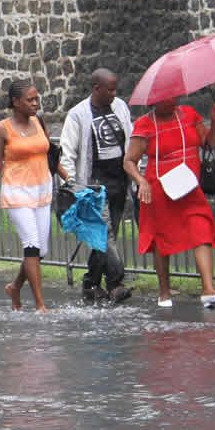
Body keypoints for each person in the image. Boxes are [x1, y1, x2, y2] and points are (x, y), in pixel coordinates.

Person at [0, 81, 68, 313]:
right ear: (15, 102)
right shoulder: (2, 129)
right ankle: (40, 304)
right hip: (17, 192)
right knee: (31, 245)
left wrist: (68, 179)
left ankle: (15, 287)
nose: (36, 103)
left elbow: (50, 156)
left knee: (41, 250)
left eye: (37, 99)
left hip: (42, 190)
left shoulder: (38, 122)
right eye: (30, 100)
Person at [123, 95, 215, 308]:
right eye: (165, 97)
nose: (171, 100)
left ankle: (208, 288)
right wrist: (141, 181)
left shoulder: (188, 114)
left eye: (173, 96)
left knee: (202, 228)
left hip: (189, 187)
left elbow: (210, 144)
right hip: (159, 189)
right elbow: (129, 161)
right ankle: (164, 291)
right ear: (153, 100)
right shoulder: (145, 124)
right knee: (161, 239)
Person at [59, 68, 133, 303]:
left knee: (105, 235)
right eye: (109, 89)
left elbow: (130, 138)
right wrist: (71, 185)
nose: (114, 93)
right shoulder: (77, 114)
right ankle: (116, 283)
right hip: (93, 186)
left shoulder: (120, 106)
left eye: (115, 89)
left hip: (119, 181)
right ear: (96, 88)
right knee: (105, 233)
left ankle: (91, 283)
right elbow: (67, 152)